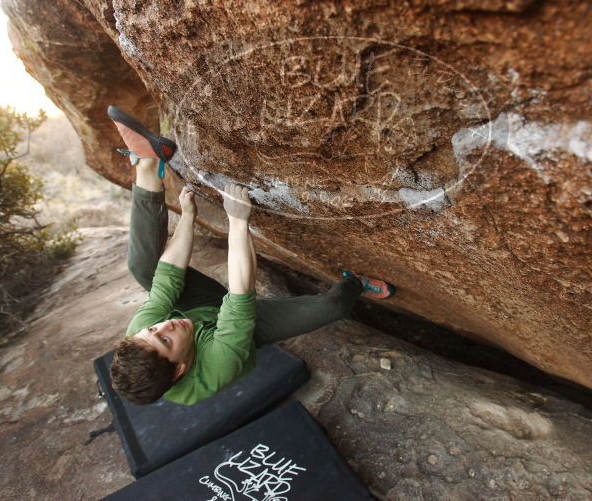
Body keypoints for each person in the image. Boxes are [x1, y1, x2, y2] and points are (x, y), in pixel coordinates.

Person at [107, 106, 396, 406]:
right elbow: (240, 294)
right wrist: (238, 220)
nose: (164, 326)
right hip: (242, 327)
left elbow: (166, 278)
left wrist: (188, 219)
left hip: (196, 305)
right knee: (332, 306)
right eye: (165, 340)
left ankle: (148, 163)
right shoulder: (216, 368)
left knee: (143, 268)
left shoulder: (139, 337)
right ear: (180, 369)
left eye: (153, 329)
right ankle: (356, 283)